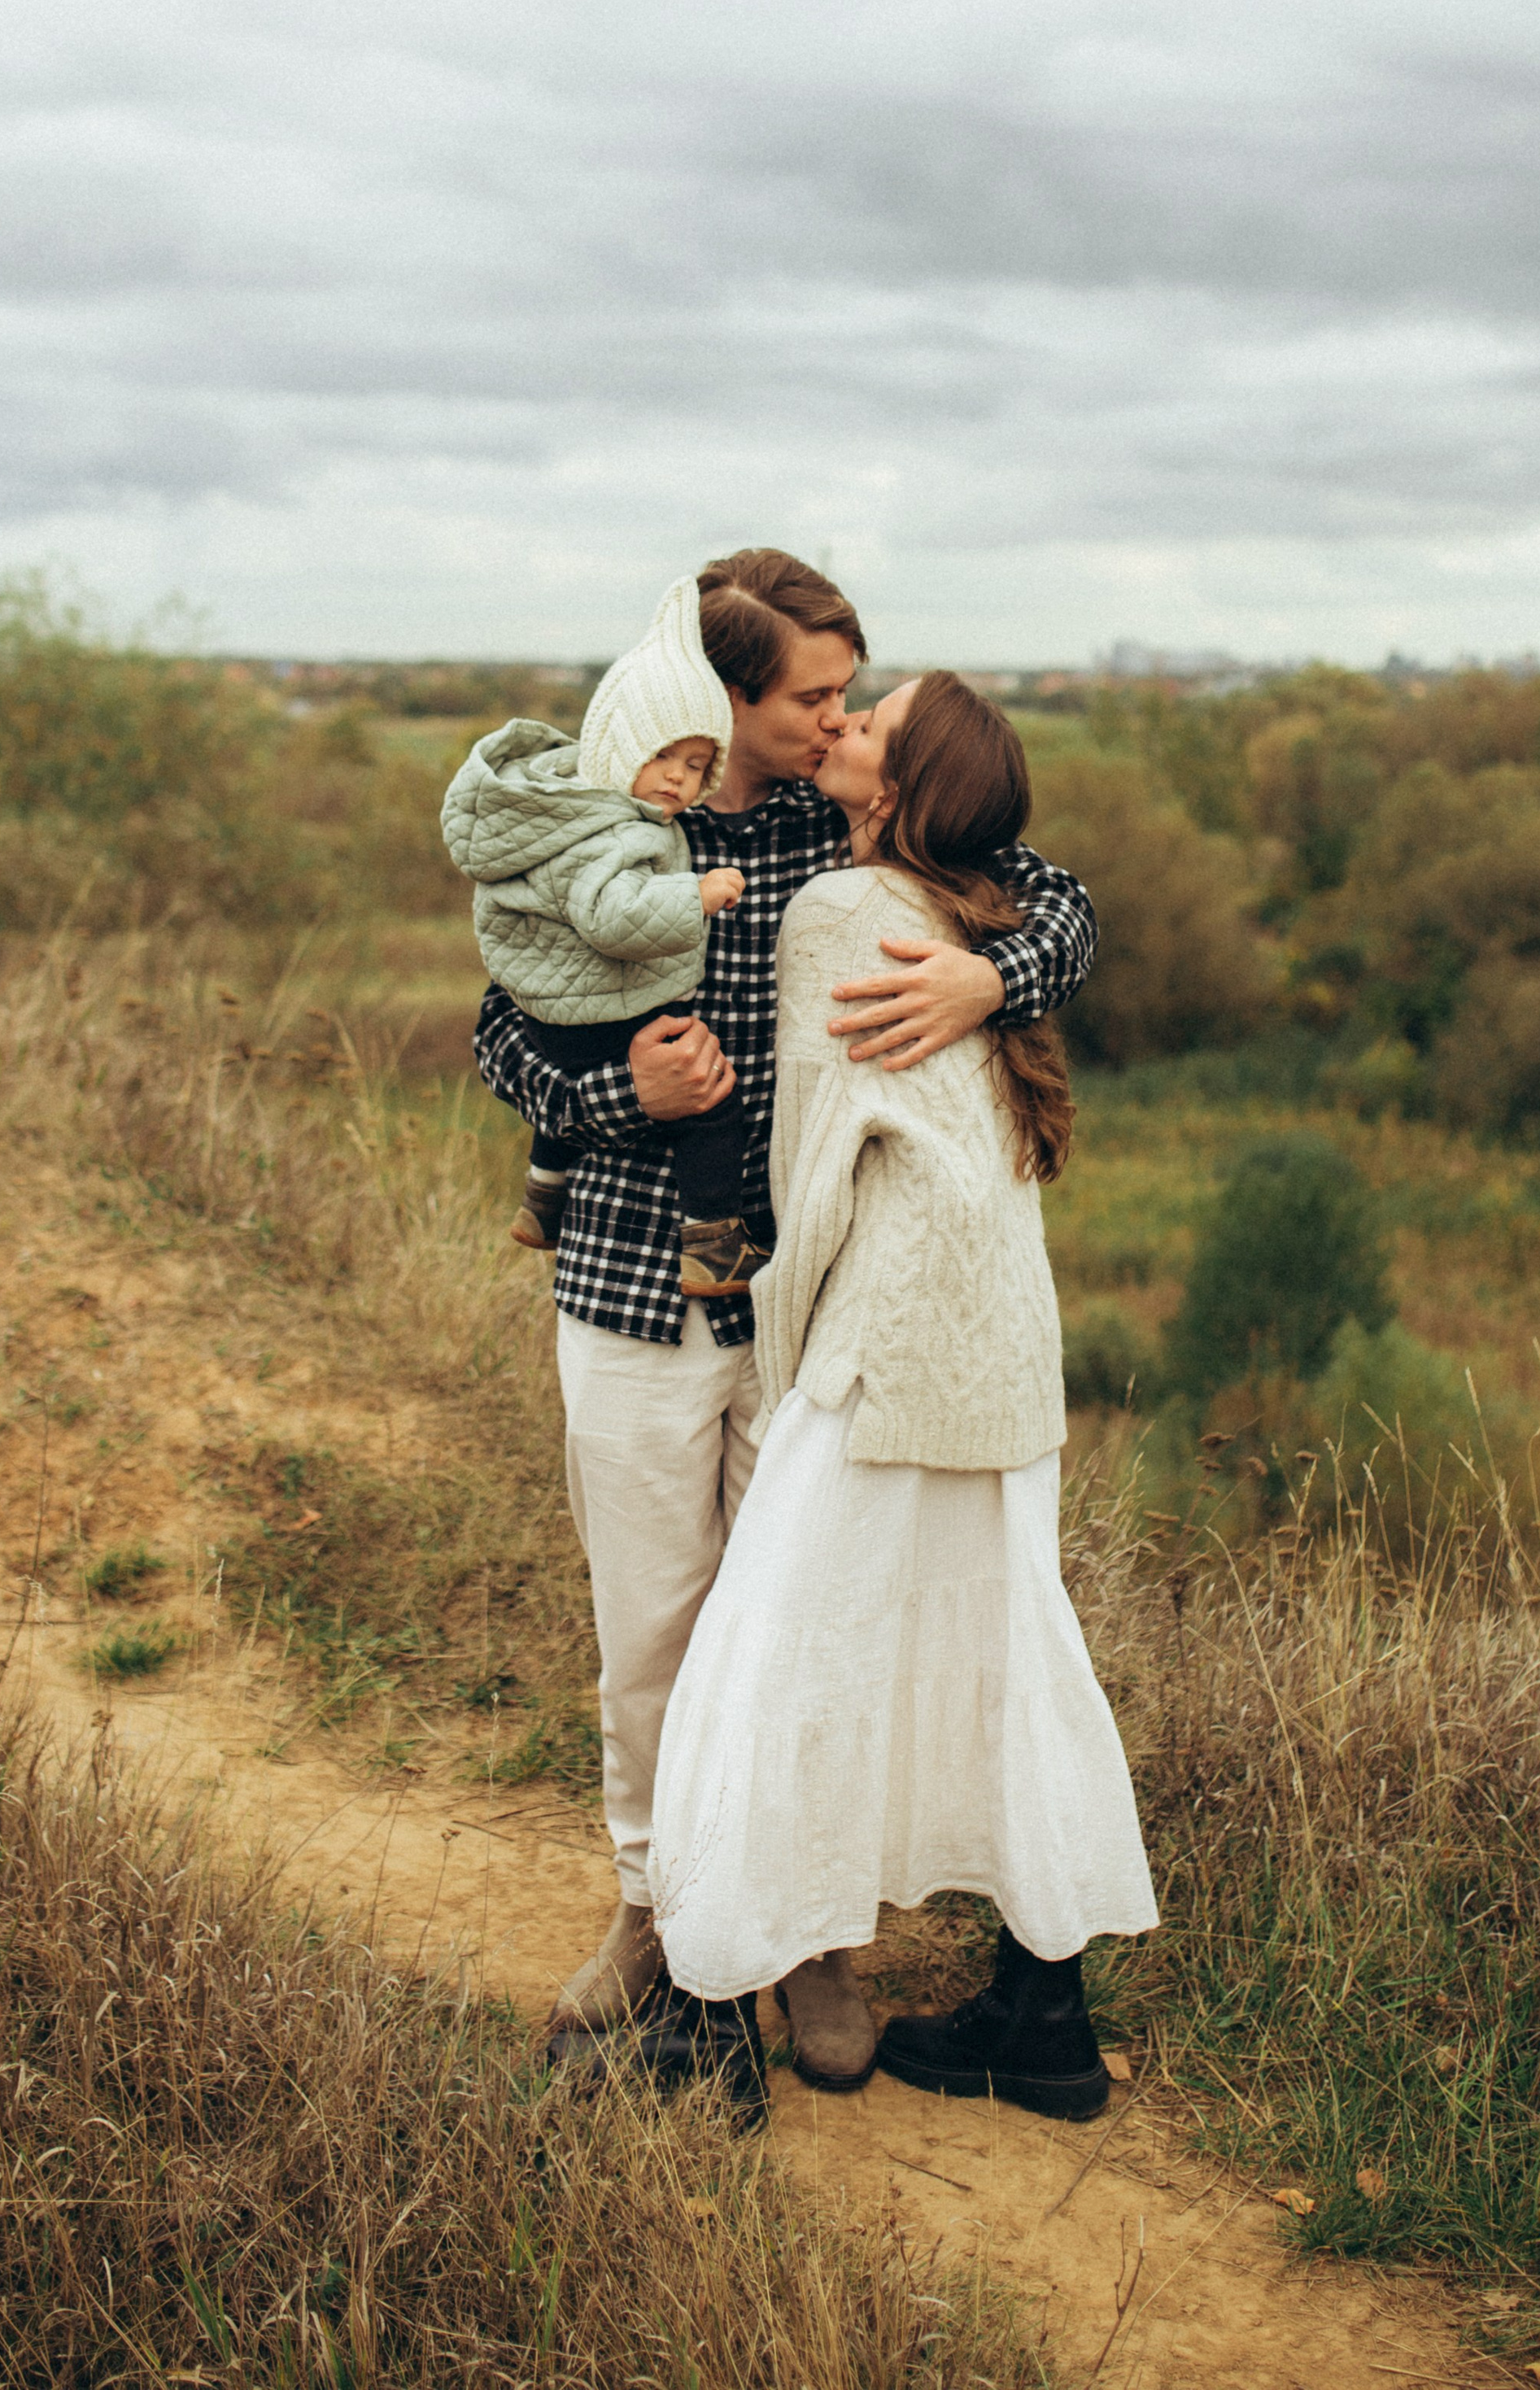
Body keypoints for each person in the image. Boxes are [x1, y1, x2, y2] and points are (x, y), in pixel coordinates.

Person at [472, 549, 1099, 2097]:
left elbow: (1067, 904)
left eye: (844, 696)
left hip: (804, 1310)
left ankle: (808, 1941)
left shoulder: (850, 826)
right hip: (627, 1279)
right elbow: (504, 1032)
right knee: (656, 1632)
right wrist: (628, 1091)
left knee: (798, 1631)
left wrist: (985, 978)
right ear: (727, 696)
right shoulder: (616, 813)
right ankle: (656, 1916)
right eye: (813, 697)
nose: (835, 720)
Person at [644, 674, 1158, 2131]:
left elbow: (816, 1164)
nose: (842, 723)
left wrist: (792, 1354)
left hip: (887, 1349)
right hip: (1006, 1356)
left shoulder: (838, 914)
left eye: (869, 721)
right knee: (1011, 1663)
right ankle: (1045, 2023)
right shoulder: (979, 911)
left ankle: (704, 2023)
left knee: (766, 1654)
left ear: (899, 787)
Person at [440, 578, 766, 1296]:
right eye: (665, 759)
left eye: (695, 766)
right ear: (623, 748)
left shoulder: (570, 810)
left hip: (555, 1012)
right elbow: (612, 917)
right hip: (608, 1014)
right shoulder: (616, 832)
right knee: (712, 1106)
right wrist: (698, 894)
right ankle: (714, 1248)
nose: (679, 781)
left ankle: (542, 1203)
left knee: (567, 1094)